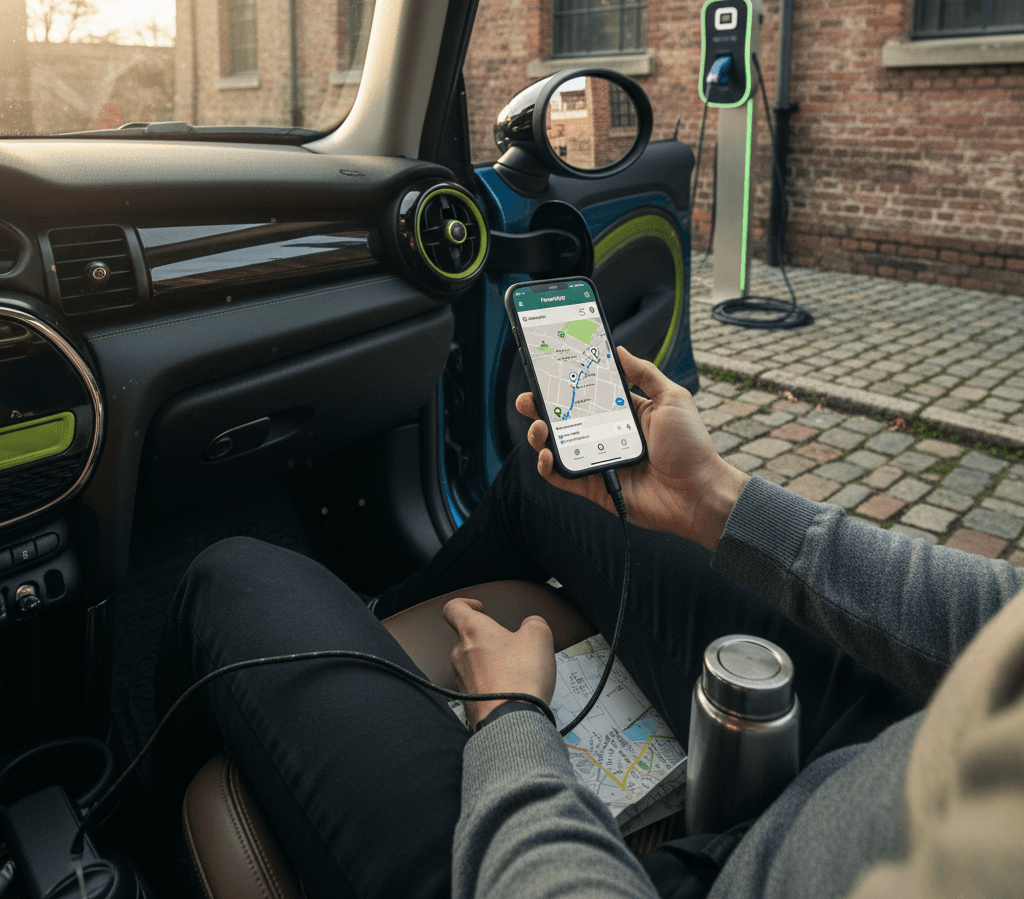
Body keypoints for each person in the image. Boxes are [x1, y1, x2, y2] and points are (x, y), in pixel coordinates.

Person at [155, 347, 1024, 899]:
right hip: (899, 743)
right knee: (551, 479)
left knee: (233, 577)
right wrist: (715, 502)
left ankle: (145, 850)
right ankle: (379, 625)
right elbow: (1003, 621)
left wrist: (510, 727)